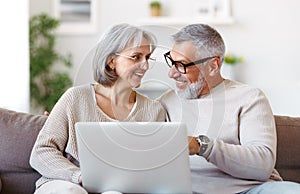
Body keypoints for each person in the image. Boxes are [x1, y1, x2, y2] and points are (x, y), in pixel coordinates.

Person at [158, 23, 300, 194]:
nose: (172, 73)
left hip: (251, 189)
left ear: (213, 66)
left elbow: (262, 165)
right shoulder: (166, 102)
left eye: (182, 65)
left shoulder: (250, 98)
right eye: (172, 62)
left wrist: (202, 146)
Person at [29, 23, 166, 194]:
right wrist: (79, 176)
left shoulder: (154, 110)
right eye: (136, 57)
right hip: (65, 183)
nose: (145, 66)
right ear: (111, 61)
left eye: (148, 57)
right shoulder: (76, 97)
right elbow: (41, 151)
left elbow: (155, 167)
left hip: (118, 189)